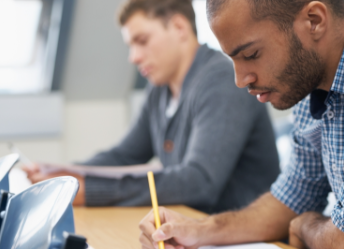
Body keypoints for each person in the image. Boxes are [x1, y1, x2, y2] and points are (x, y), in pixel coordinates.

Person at [24, 0, 279, 214]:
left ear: (179, 27)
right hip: (198, 229)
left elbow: (199, 183)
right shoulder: (160, 89)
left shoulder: (221, 80)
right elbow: (123, 156)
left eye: (142, 40)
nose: (133, 57)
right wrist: (62, 174)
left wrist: (89, 190)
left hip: (246, 237)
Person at [138, 0, 344, 248]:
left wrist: (306, 224)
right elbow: (294, 196)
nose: (239, 80)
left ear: (314, 21)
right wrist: (198, 229)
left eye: (251, 54)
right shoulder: (308, 87)